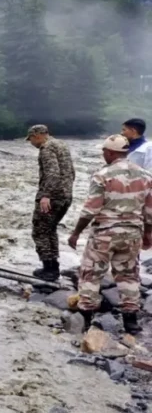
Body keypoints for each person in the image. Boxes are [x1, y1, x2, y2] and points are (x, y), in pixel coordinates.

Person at [66, 135, 152, 334]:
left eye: (104, 151)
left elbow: (90, 209)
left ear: (111, 153)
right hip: (132, 234)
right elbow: (149, 212)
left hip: (104, 234)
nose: (103, 154)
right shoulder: (146, 175)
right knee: (129, 276)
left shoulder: (102, 175)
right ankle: (131, 322)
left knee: (91, 274)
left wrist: (76, 233)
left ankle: (85, 319)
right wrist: (148, 234)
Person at [27, 124, 75, 282]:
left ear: (37, 135)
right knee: (50, 229)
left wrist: (46, 195)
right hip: (66, 195)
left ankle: (49, 269)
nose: (31, 143)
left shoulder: (46, 148)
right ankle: (53, 266)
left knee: (40, 231)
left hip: (52, 197)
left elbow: (52, 173)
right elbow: (72, 172)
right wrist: (66, 191)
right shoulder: (61, 145)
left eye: (31, 139)